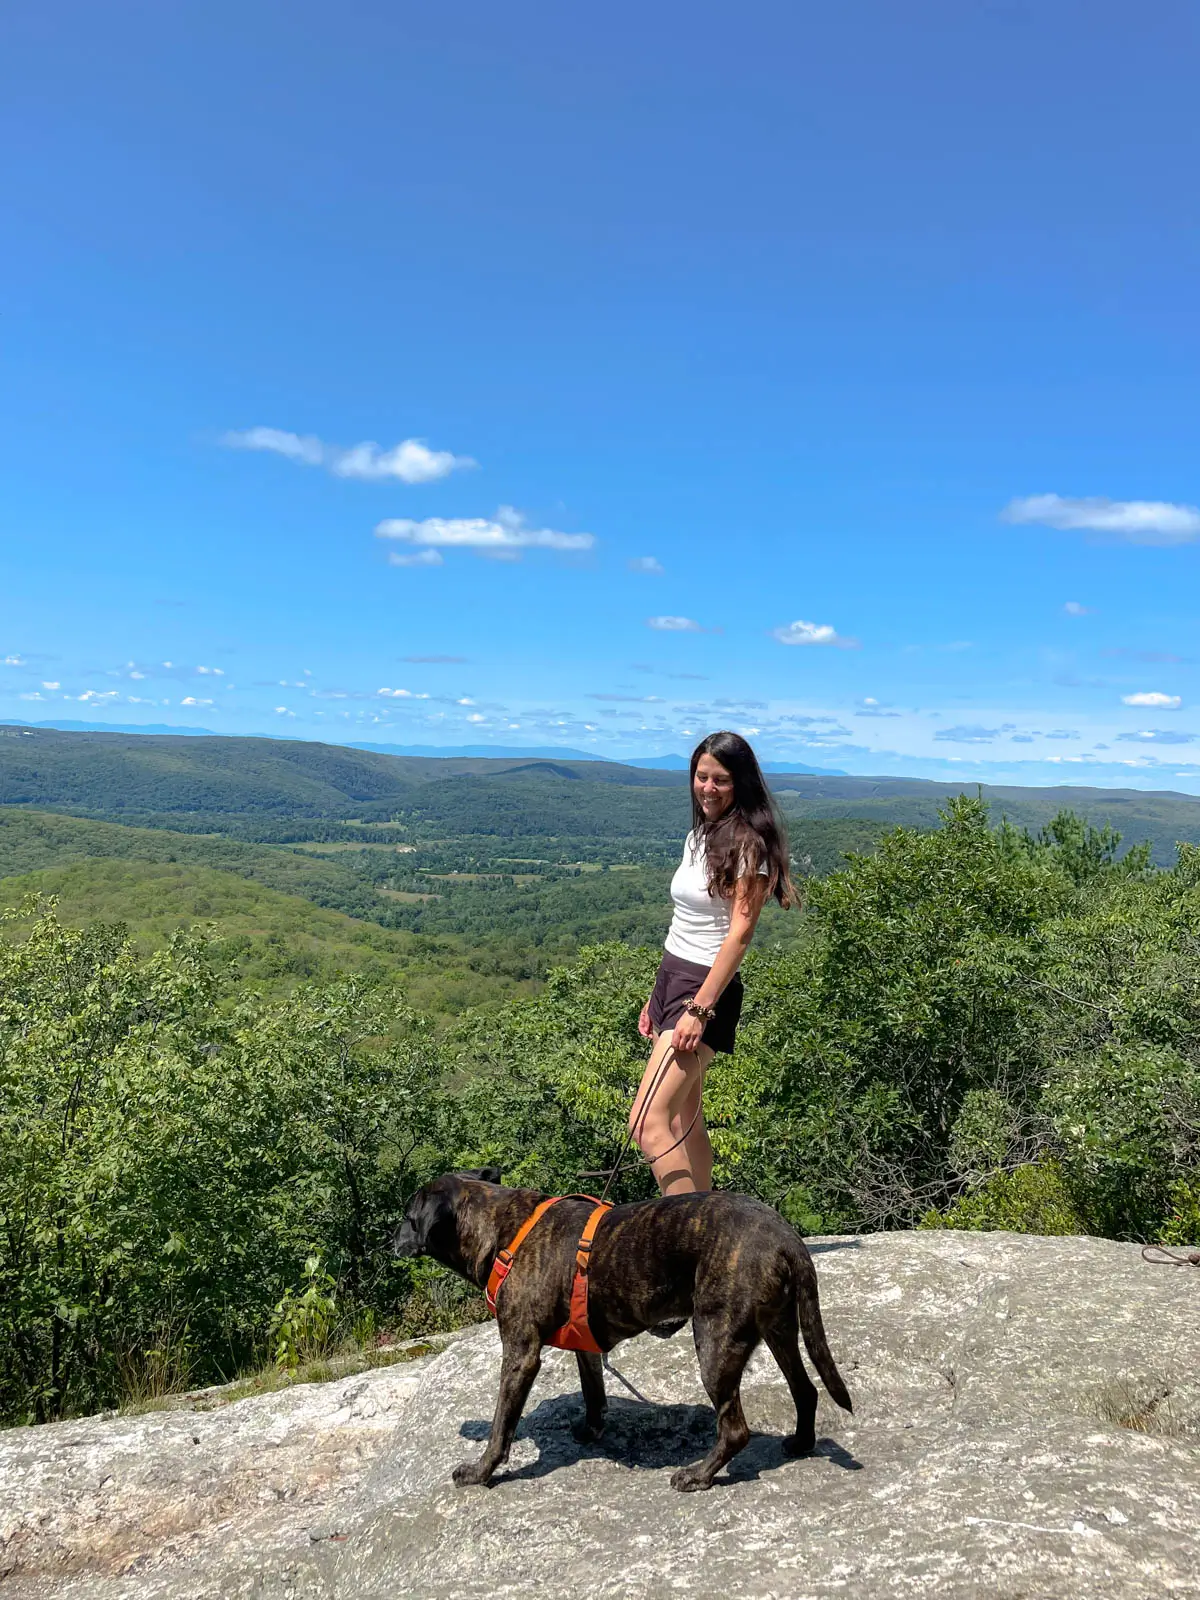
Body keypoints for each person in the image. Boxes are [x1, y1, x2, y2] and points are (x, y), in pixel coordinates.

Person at [630, 730, 794, 1196]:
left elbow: (740, 934)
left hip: (703, 989)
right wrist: (655, 998)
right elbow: (686, 923)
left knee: (647, 1123)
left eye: (720, 780)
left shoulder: (748, 845)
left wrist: (698, 1009)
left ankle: (686, 1240)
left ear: (740, 783)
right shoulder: (700, 834)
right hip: (675, 977)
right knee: (685, 1120)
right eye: (701, 777)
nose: (708, 788)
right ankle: (709, 1224)